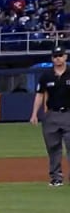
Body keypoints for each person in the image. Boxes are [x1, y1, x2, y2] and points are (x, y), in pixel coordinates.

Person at [31, 46, 70, 187]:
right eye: (55, 56)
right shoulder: (46, 76)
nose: (58, 58)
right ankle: (56, 177)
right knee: (53, 148)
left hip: (68, 113)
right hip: (51, 115)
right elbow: (40, 95)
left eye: (60, 55)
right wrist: (34, 113)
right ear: (52, 58)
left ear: (65, 57)